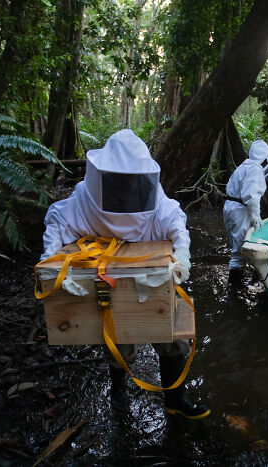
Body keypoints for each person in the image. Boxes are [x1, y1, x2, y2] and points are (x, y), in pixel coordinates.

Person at [41, 129, 210, 419]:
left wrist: (182, 256)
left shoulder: (153, 198)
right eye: (118, 182)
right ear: (102, 178)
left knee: (171, 332)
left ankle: (175, 397)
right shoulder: (84, 200)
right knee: (117, 338)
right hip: (109, 282)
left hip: (152, 276)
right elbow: (57, 220)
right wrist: (50, 263)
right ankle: (119, 397)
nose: (125, 190)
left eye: (131, 183)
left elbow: (175, 222)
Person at [223, 140, 268, 284]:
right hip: (239, 210)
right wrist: (255, 217)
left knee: (236, 244)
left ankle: (237, 278)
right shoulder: (256, 169)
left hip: (230, 206)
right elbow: (251, 197)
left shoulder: (244, 166)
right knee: (239, 250)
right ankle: (234, 285)